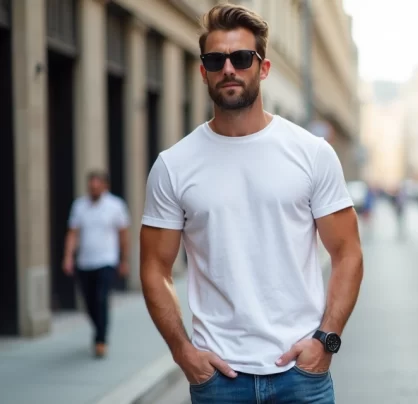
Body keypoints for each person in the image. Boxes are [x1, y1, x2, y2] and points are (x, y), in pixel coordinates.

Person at [139, 4, 364, 404]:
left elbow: (348, 253)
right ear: (203, 71)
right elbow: (155, 268)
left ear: (263, 68)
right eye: (216, 60)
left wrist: (326, 340)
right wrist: (182, 351)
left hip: (301, 378)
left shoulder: (311, 153)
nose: (229, 68)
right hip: (219, 381)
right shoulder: (173, 166)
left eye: (242, 58)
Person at [63, 170, 130, 358]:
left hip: (106, 261)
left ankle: (101, 339)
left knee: (101, 299)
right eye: (91, 186)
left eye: (97, 185)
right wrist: (68, 257)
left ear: (105, 186)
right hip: (85, 262)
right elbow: (73, 233)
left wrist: (124, 260)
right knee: (89, 303)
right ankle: (98, 329)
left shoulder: (116, 205)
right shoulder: (79, 206)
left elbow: (123, 235)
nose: (93, 189)